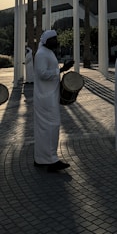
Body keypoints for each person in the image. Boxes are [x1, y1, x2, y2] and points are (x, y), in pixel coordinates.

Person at [33, 30, 74, 171]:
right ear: (47, 41)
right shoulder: (42, 54)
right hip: (45, 99)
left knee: (46, 128)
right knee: (51, 126)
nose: (57, 41)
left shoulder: (47, 52)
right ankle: (50, 160)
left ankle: (42, 158)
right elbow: (42, 74)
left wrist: (62, 70)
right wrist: (62, 70)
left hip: (49, 96)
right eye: (54, 39)